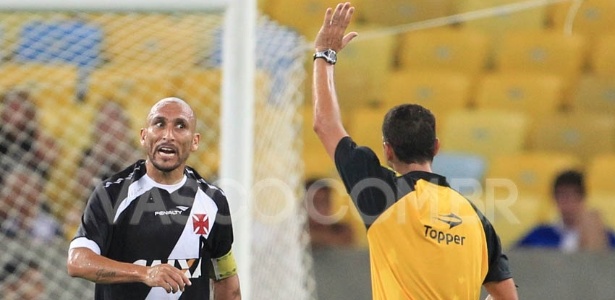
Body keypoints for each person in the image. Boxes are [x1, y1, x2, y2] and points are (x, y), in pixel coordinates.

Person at [311, 3, 518, 299]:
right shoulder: (475, 218)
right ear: (436, 147)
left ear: (387, 151)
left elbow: (325, 125)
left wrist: (324, 54)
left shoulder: (379, 193)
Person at [66, 97, 241, 299]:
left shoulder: (213, 200)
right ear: (143, 136)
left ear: (195, 141)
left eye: (180, 126)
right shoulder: (112, 194)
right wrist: (145, 273)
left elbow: (225, 277)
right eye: (159, 124)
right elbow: (77, 262)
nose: (168, 135)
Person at [63, 101, 140, 240]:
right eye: (104, 126)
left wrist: (122, 153)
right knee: (73, 216)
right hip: (97, 212)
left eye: (113, 123)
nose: (109, 130)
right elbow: (79, 189)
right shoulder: (90, 155)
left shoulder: (135, 152)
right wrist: (98, 157)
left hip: (133, 211)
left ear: (125, 126)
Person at [516, 170, 615, 252]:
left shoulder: (605, 236)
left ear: (582, 199)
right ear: (554, 199)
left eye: (573, 197)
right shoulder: (539, 235)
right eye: (562, 197)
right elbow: (509, 261)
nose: (568, 204)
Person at [0, 89, 59, 183]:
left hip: (31, 187)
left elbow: (50, 158)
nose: (11, 112)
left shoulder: (36, 134)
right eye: (9, 107)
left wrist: (35, 125)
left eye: (16, 108)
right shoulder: (2, 135)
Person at [0, 165, 64, 243]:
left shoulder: (52, 227)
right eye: (15, 191)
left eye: (25, 192)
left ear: (38, 192)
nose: (20, 198)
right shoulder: (6, 223)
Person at [305, 178, 354, 248]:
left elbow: (343, 240)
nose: (320, 208)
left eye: (324, 202)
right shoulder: (296, 232)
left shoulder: (342, 231)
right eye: (315, 202)